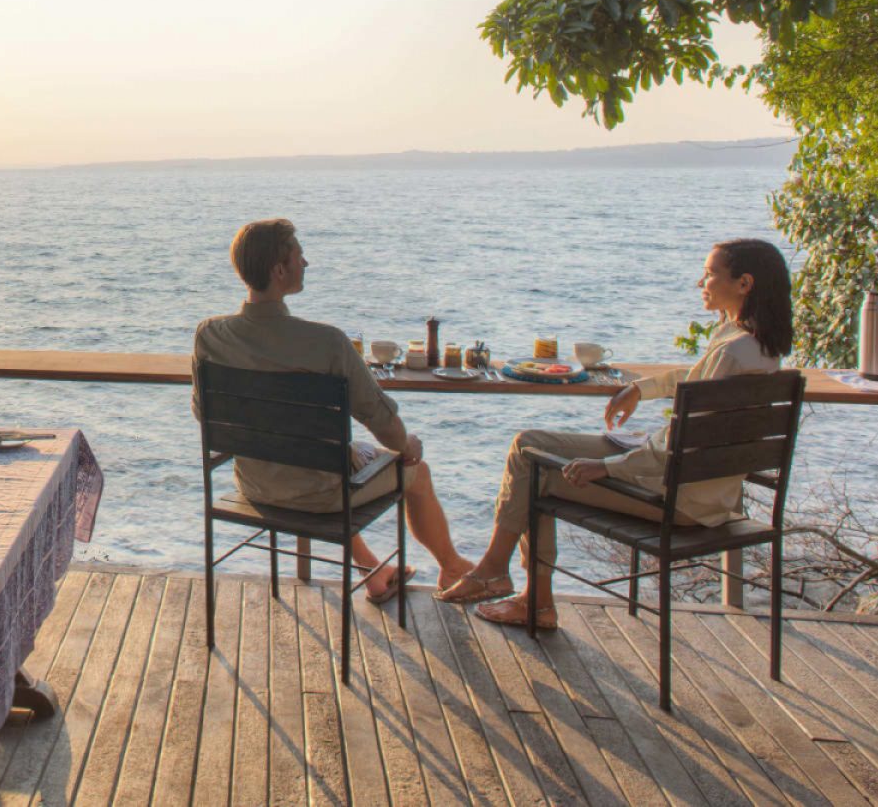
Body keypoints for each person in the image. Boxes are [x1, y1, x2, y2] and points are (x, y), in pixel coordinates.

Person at [439, 237, 793, 629]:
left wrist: (607, 466)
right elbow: (695, 385)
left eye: (710, 274)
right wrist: (642, 387)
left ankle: (520, 591)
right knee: (528, 445)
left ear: (744, 283)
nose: (701, 282)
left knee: (534, 469)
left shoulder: (731, 351)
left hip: (681, 500)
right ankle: (507, 581)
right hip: (712, 495)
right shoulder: (756, 347)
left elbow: (677, 446)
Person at [193, 218, 475, 603]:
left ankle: (373, 572)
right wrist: (408, 443)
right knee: (415, 471)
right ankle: (453, 567)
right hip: (318, 497)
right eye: (300, 256)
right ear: (279, 270)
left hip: (255, 484)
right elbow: (386, 428)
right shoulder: (326, 342)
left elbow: (201, 412)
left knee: (319, 461)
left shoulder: (209, 334)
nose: (306, 263)